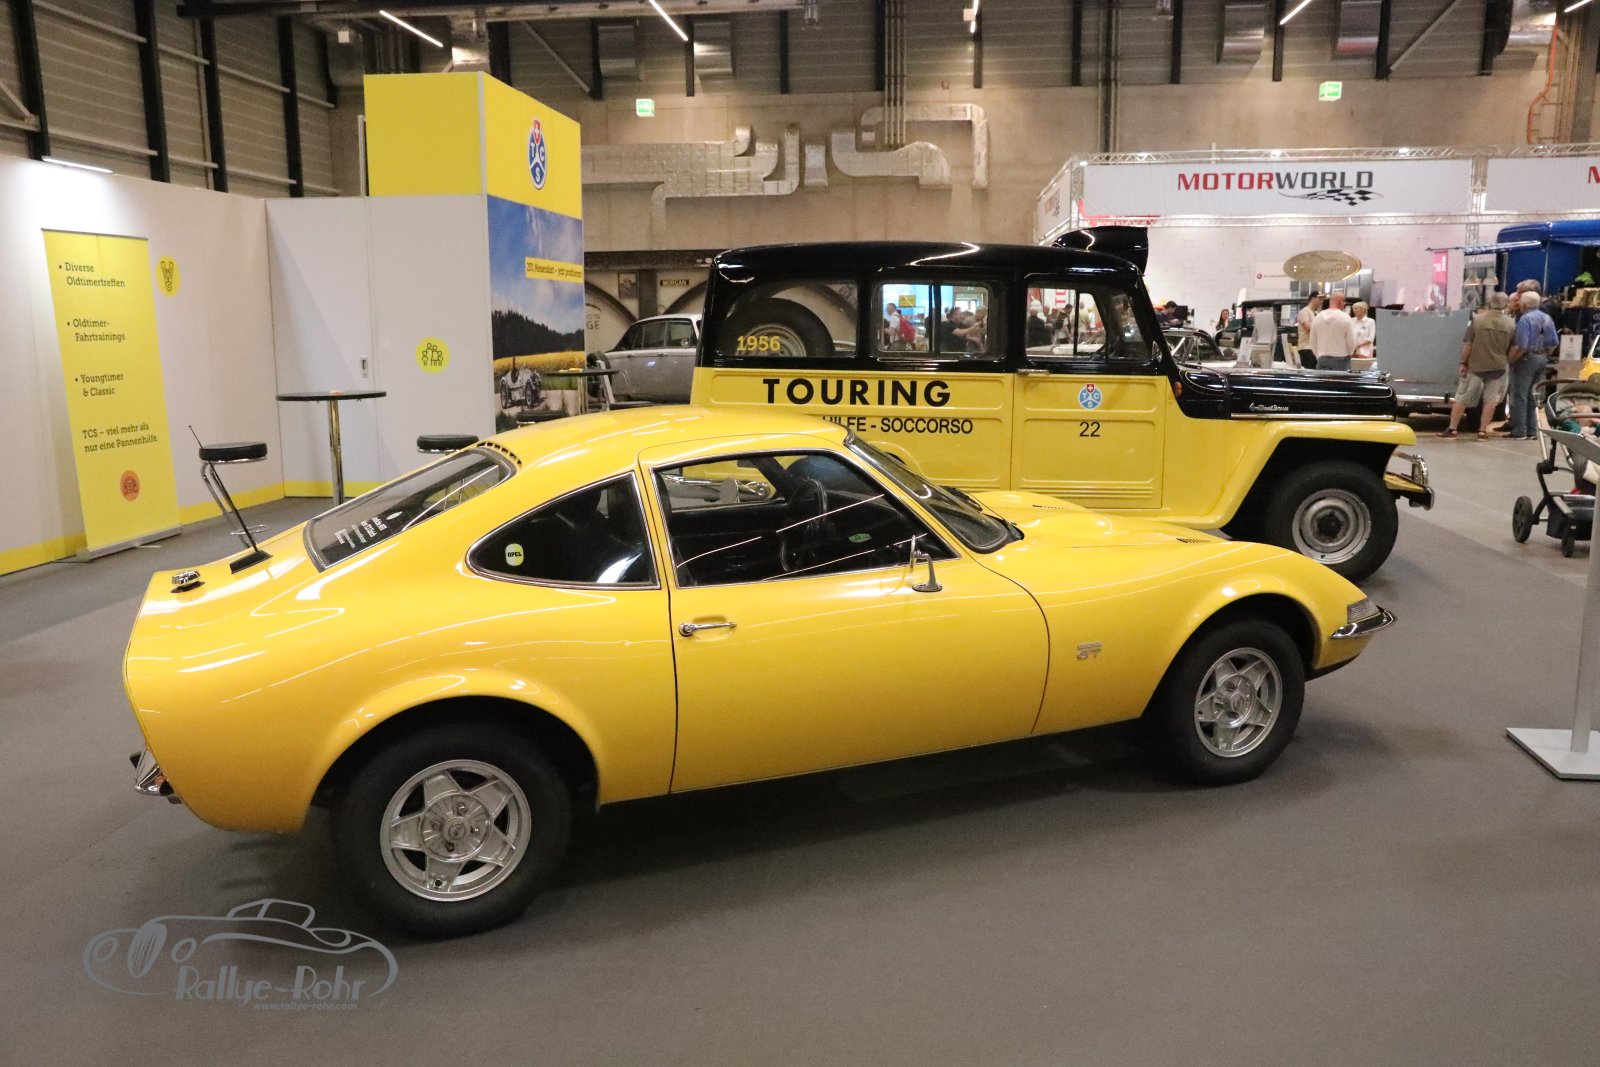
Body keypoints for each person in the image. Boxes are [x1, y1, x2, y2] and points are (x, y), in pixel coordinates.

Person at [1439, 292, 1515, 440]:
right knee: (1491, 400)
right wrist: (1507, 361)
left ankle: (1452, 429)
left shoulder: (1477, 320)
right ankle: (1482, 431)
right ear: (1506, 305)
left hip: (1476, 365)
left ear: (1489, 303)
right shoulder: (1511, 323)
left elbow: (1468, 344)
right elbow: (1514, 347)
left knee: (1462, 397)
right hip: (1499, 367)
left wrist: (1463, 362)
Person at [1506, 290, 1558, 440]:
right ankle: (1532, 430)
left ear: (1525, 304)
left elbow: (1521, 345)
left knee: (1520, 395)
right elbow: (1554, 342)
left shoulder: (1525, 319)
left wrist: (1510, 360)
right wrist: (1545, 354)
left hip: (1526, 359)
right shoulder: (1547, 318)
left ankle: (1519, 431)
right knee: (1533, 395)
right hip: (1542, 359)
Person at [1310, 293, 1358, 372]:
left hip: (1322, 358)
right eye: (1344, 301)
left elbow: (1312, 341)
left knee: (1322, 380)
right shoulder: (1345, 318)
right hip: (1342, 359)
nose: (1344, 304)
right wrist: (1350, 353)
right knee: (1340, 380)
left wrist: (1318, 355)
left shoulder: (1317, 318)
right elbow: (1351, 341)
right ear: (1340, 301)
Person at [1297, 293, 1324, 368]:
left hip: (1316, 349)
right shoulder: (1304, 312)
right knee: (1309, 371)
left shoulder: (1317, 313)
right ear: (1312, 299)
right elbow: (1307, 326)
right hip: (1306, 348)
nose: (1321, 301)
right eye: (1320, 299)